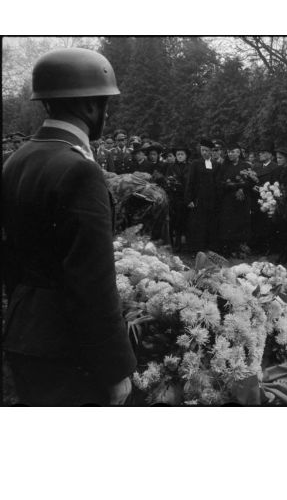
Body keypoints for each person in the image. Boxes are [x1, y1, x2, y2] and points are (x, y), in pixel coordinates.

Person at [2, 47, 136, 406]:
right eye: (105, 103)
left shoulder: (18, 159)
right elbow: (91, 280)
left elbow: (11, 258)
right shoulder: (79, 169)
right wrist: (114, 367)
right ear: (92, 106)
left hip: (24, 331)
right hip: (68, 346)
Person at [217, 143, 253, 256]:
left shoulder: (246, 165)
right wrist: (234, 187)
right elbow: (220, 182)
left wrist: (242, 189)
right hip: (228, 199)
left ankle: (239, 248)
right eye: (228, 152)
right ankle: (228, 248)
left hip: (242, 200)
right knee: (228, 224)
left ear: (238, 153)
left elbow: (252, 181)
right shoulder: (224, 166)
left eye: (233, 152)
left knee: (240, 223)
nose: (230, 154)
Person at [185, 138, 220, 252]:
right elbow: (190, 182)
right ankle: (197, 250)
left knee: (211, 224)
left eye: (206, 150)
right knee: (198, 224)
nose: (204, 152)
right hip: (198, 198)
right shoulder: (195, 164)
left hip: (212, 199)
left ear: (211, 151)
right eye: (202, 150)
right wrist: (189, 199)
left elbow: (218, 182)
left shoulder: (216, 165)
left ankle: (210, 249)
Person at [251, 141, 280, 255]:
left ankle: (269, 248)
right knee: (258, 224)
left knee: (268, 224)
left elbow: (276, 184)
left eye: (264, 153)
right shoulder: (257, 167)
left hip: (269, 199)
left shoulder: (275, 167)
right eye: (260, 153)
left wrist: (266, 190)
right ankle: (259, 248)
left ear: (270, 155)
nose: (261, 155)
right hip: (257, 199)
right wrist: (253, 187)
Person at [165, 144, 190, 252]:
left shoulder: (190, 166)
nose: (179, 156)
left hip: (186, 197)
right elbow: (167, 181)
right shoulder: (171, 167)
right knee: (174, 220)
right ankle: (175, 243)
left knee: (184, 220)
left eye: (182, 154)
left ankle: (185, 244)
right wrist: (171, 184)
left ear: (186, 156)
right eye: (178, 154)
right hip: (174, 197)